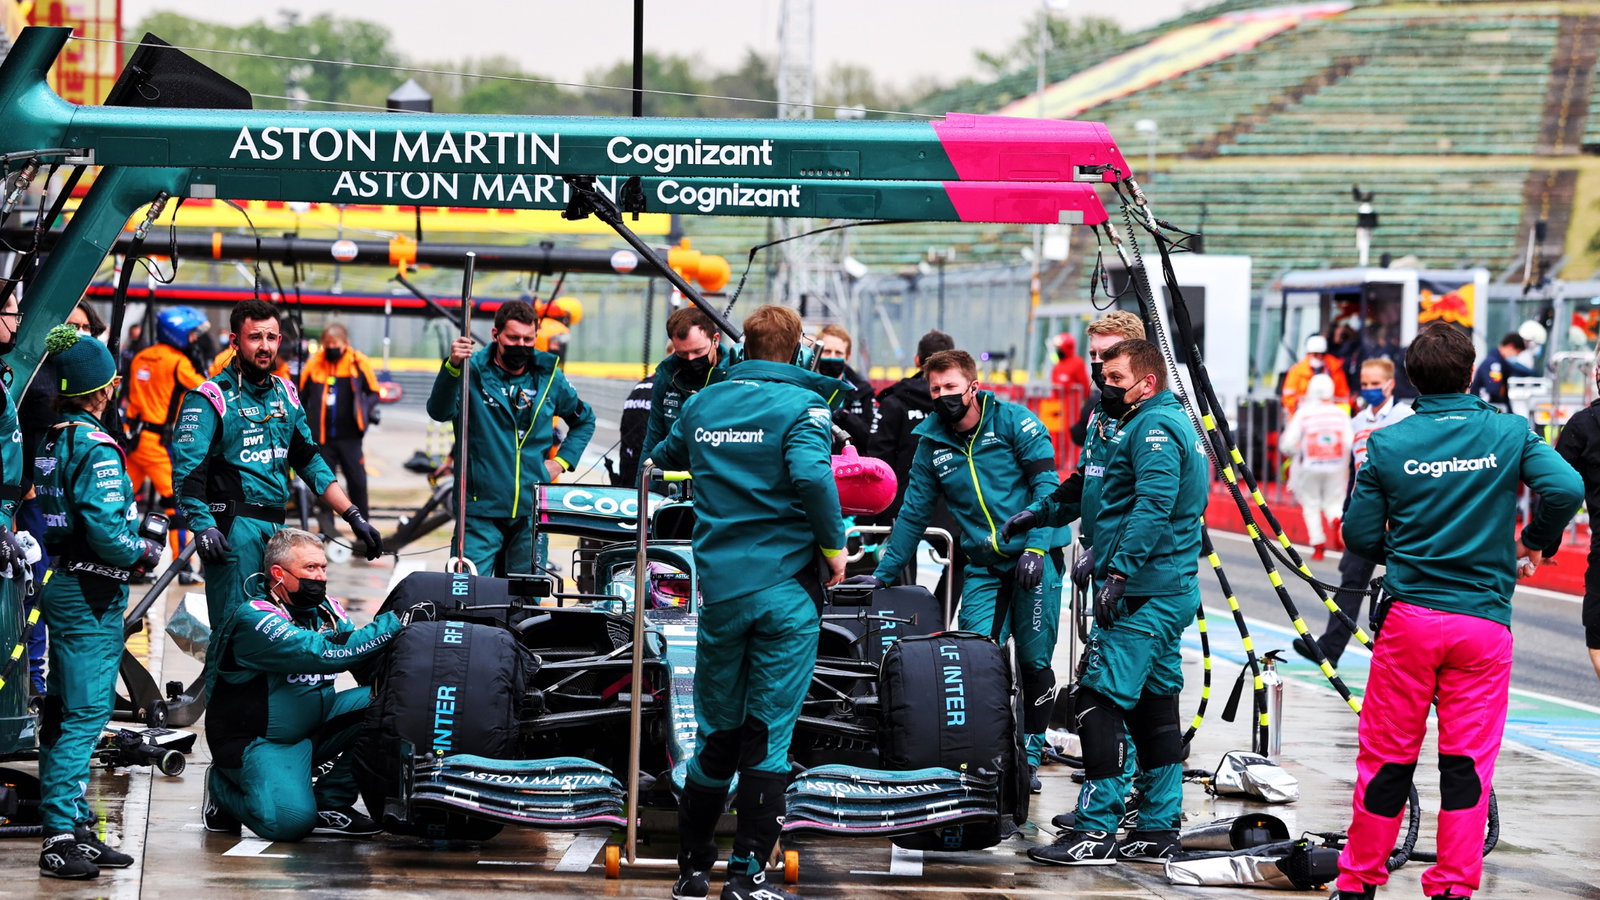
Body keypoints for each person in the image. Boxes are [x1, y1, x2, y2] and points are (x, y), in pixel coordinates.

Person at [1332, 323, 1582, 900]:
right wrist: (1536, 538)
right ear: (1471, 372)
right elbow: (1567, 488)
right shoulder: (1510, 430)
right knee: (1466, 764)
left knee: (1387, 759)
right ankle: (1451, 888)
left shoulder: (1388, 443)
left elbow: (1359, 535)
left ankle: (1358, 882)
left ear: (1410, 379)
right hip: (1483, 623)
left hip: (1411, 621)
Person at [644, 304, 846, 900]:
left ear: (744, 347)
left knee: (718, 734)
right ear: (797, 351)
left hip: (721, 591)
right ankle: (747, 875)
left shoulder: (705, 401)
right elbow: (812, 477)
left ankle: (692, 871)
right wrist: (834, 549)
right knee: (768, 734)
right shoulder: (805, 406)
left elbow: (666, 454)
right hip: (786, 588)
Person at [1013, 338, 1207, 866]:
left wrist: (1118, 570)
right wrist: (1042, 513)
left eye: (1116, 376)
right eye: (1102, 373)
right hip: (1156, 586)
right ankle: (1158, 825)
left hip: (1146, 590)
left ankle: (1095, 829)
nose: (1105, 383)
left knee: (1096, 698)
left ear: (1147, 382)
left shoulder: (1158, 428)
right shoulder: (1122, 420)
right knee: (1154, 702)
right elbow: (1093, 486)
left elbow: (1154, 504)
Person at [852, 348, 1066, 789]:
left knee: (1033, 658)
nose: (943, 396)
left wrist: (1038, 547)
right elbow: (912, 513)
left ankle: (1029, 751)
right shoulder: (931, 442)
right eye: (936, 389)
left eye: (951, 387)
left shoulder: (1015, 422)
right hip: (985, 564)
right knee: (974, 655)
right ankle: (987, 749)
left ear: (973, 386)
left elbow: (1048, 484)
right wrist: (883, 574)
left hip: (1034, 558)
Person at [32, 326, 163, 878]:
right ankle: (60, 835)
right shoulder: (96, 445)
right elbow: (111, 534)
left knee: (62, 711)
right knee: (85, 717)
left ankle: (80, 827)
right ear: (103, 390)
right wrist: (147, 547)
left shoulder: (49, 435)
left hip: (62, 580)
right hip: (93, 590)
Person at [172, 299, 383, 628]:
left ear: (280, 341)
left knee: (285, 631)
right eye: (255, 337)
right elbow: (188, 475)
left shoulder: (286, 393)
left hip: (279, 533)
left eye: (271, 337)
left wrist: (353, 516)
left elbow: (309, 460)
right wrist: (203, 525)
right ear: (235, 342)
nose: (264, 346)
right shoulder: (208, 398)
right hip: (234, 531)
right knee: (236, 635)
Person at [203, 528, 403, 842]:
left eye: (323, 567)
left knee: (392, 700)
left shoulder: (329, 610)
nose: (320, 577)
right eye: (310, 568)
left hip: (314, 725)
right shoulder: (253, 617)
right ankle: (221, 788)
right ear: (278, 574)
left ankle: (331, 802)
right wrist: (395, 623)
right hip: (259, 743)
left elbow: (360, 658)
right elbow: (322, 653)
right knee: (290, 823)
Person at [427, 299, 595, 576]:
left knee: (526, 602)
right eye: (513, 337)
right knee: (466, 596)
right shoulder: (471, 371)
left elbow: (584, 420)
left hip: (531, 513)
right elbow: (439, 411)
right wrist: (453, 366)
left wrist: (562, 462)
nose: (521, 345)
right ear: (496, 335)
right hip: (479, 512)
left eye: (528, 339)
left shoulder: (549, 376)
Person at [1295, 357, 1412, 667]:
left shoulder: (1405, 417)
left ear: (1390, 384)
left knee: (1400, 584)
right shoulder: (1358, 421)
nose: (1370, 389)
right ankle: (1329, 649)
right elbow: (1355, 474)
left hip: (1400, 515)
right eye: (1365, 384)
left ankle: (1397, 657)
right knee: (1351, 579)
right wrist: (1348, 514)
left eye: (1376, 384)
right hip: (1367, 513)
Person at [865, 329, 962, 595]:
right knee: (961, 563)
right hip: (950, 505)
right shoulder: (961, 403)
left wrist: (878, 516)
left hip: (901, 505)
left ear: (917, 360)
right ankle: (940, 619)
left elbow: (878, 459)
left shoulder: (894, 401)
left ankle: (913, 628)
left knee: (898, 573)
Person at [124, 306, 209, 582]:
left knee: (123, 502)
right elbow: (205, 390)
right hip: (156, 443)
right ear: (178, 334)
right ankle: (183, 568)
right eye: (192, 335)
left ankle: (126, 561)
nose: (195, 339)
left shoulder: (140, 356)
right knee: (177, 504)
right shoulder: (176, 362)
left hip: (133, 438)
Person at [298, 323, 383, 519]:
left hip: (350, 437)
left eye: (334, 344)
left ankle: (364, 527)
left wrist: (363, 410)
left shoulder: (358, 361)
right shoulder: (314, 363)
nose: (330, 348)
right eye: (326, 344)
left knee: (358, 482)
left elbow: (374, 392)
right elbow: (300, 396)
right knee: (324, 485)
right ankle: (327, 531)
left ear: (345, 344)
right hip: (322, 438)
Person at [639, 306, 733, 477]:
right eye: (682, 354)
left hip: (720, 479)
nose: (691, 360)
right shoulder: (666, 374)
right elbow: (653, 438)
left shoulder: (735, 374)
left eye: (698, 351)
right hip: (673, 477)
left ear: (715, 340)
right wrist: (641, 496)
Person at [1280, 373, 1353, 562]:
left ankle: (1318, 544)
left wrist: (1293, 453)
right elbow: (1348, 442)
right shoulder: (1340, 413)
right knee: (1334, 501)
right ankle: (1336, 521)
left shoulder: (1304, 413)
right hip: (1336, 465)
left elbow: (1287, 443)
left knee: (1311, 503)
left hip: (1309, 466)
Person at [1070, 311, 1145, 448]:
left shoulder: (1158, 412)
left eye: (1107, 353)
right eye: (1093, 355)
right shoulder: (1097, 408)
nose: (1099, 362)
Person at [815, 323, 876, 450]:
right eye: (827, 352)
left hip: (851, 465)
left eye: (838, 353)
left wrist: (844, 416)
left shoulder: (863, 392)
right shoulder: (803, 387)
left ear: (847, 357)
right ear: (817, 353)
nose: (832, 357)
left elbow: (872, 439)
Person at [1281, 333, 1351, 416]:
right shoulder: (1297, 372)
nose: (1319, 357)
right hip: (1304, 416)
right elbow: (1288, 398)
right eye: (1315, 354)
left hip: (1330, 416)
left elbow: (1344, 397)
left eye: (1322, 354)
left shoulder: (1335, 369)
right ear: (1308, 354)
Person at [1469, 332, 1536, 413]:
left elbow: (1522, 371)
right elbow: (1493, 390)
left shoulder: (1501, 362)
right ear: (1510, 346)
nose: (1515, 357)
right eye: (1516, 353)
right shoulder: (1493, 364)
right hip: (1485, 410)